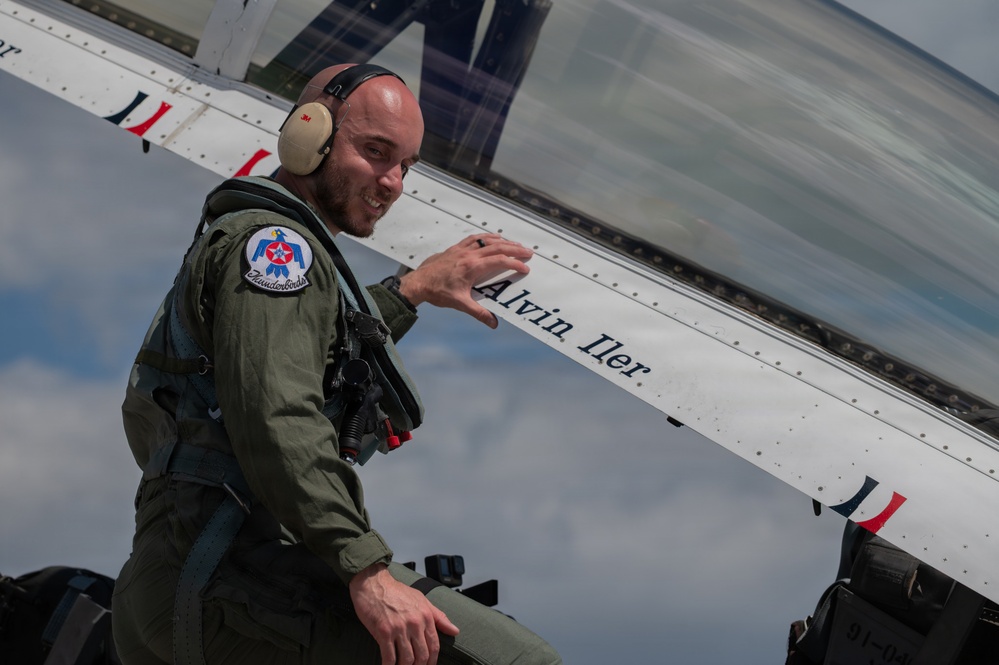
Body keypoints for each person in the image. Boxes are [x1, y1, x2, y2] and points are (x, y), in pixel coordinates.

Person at [111, 62, 562, 665]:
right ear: (310, 134)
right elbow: (278, 416)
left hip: (182, 573)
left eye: (405, 165)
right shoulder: (277, 249)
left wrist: (412, 289)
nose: (392, 182)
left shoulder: (267, 246)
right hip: (224, 573)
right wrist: (366, 570)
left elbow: (314, 345)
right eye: (376, 152)